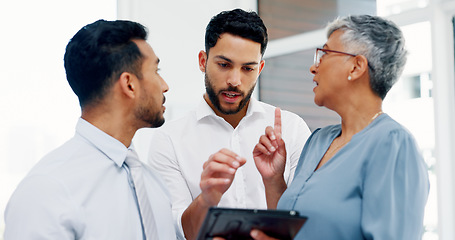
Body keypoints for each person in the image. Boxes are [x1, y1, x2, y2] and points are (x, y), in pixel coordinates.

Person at [252, 15, 429, 239]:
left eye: (324, 54)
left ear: (356, 67)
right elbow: (293, 231)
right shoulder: (318, 141)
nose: (313, 67)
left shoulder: (393, 144)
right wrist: (274, 179)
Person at [4, 19, 182, 239]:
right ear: (129, 84)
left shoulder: (154, 186)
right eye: (156, 71)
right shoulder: (46, 191)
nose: (165, 85)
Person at [147, 8, 311, 239]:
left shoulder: (292, 128)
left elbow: (305, 225)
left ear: (260, 69)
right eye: (224, 65)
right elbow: (178, 232)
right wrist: (207, 197)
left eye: (248, 68)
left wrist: (274, 181)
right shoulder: (169, 141)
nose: (235, 81)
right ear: (203, 61)